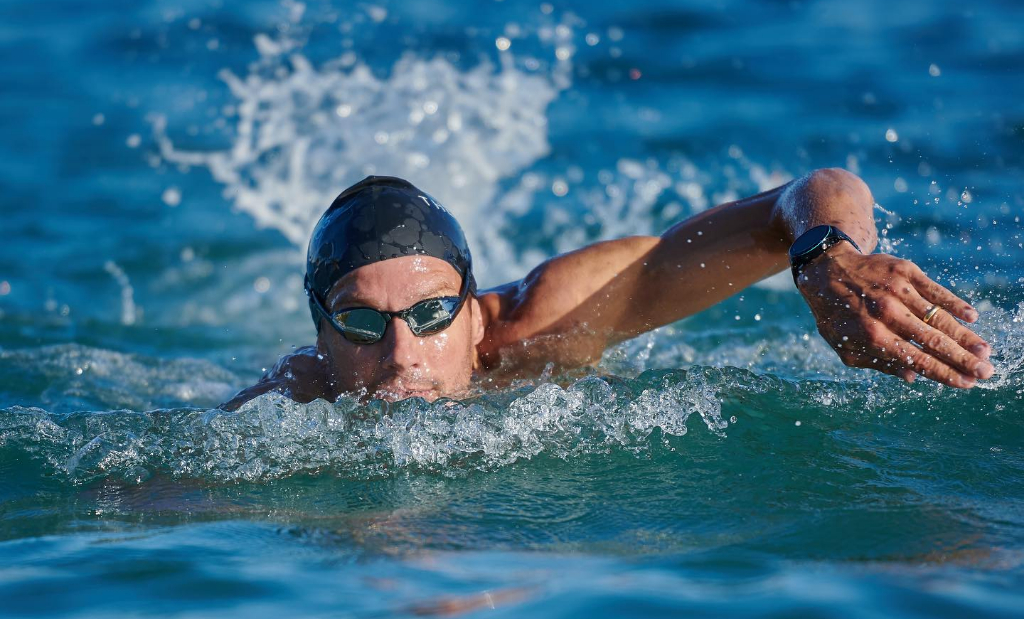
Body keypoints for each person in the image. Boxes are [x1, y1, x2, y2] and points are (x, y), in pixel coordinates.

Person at [219, 171, 994, 410]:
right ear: (320, 332)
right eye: (361, 324)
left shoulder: (550, 319)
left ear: (472, 314)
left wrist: (827, 259)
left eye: (430, 315)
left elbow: (811, 192)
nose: (400, 355)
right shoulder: (297, 395)